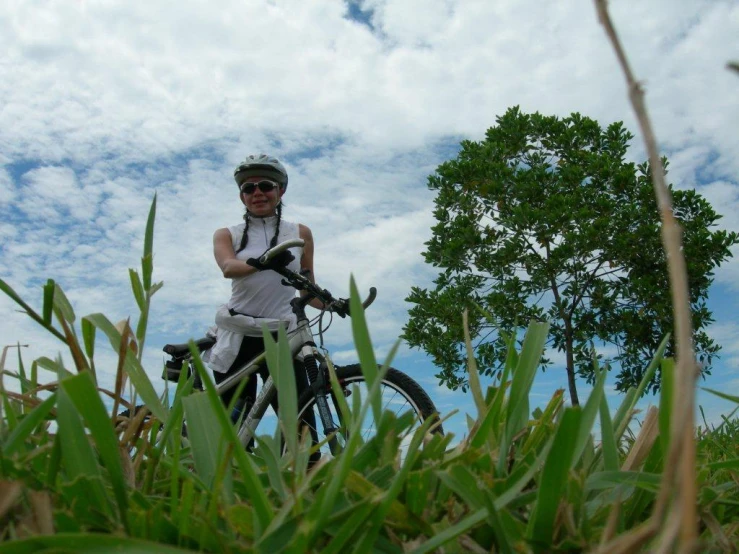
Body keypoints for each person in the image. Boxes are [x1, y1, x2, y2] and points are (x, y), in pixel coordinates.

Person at [205, 153, 320, 424]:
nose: (257, 193)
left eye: (266, 186)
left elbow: (308, 288)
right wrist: (262, 263)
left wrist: (337, 304)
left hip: (283, 336)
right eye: (248, 188)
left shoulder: (300, 233)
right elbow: (228, 267)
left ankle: (304, 466)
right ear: (242, 196)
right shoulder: (227, 234)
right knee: (235, 429)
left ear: (280, 190)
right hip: (238, 335)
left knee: (299, 424)